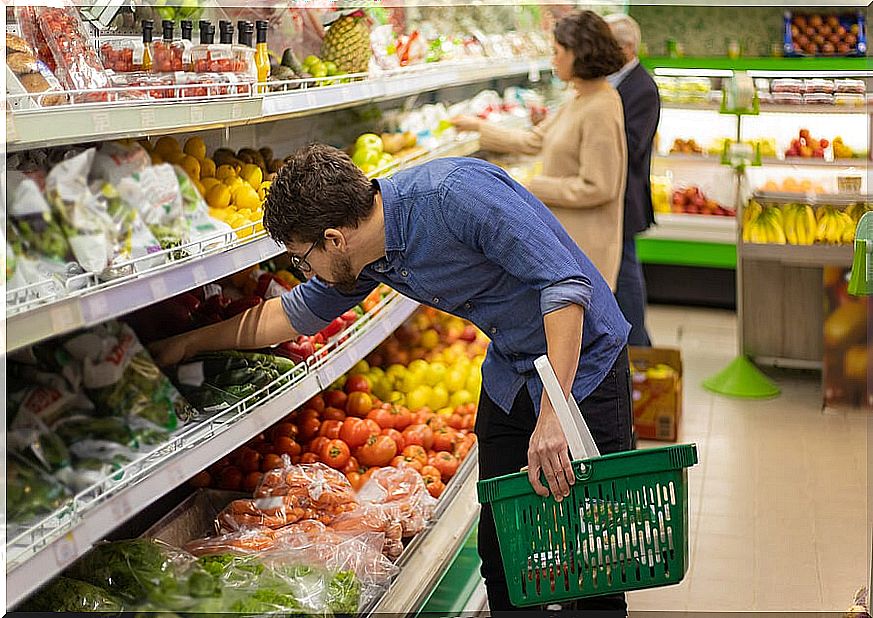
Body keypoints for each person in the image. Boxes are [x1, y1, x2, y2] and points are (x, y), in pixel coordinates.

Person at [151, 143, 634, 613]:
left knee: (597, 554)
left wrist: (554, 415)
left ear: (334, 239)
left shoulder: (455, 196)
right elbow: (294, 314)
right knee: (505, 551)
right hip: (512, 368)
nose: (305, 270)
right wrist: (187, 343)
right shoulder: (367, 253)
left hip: (582, 364)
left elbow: (565, 286)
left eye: (303, 258)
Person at [452, 10, 628, 291]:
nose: (552, 60)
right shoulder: (580, 98)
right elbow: (535, 141)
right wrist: (478, 128)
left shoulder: (601, 107)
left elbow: (599, 187)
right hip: (567, 242)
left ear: (578, 53)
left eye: (557, 52)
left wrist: (534, 186)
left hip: (585, 251)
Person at [604, 13, 660, 347]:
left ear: (625, 48)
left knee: (625, 273)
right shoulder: (617, 81)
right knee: (621, 269)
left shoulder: (642, 87)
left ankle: (639, 346)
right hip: (616, 195)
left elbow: (634, 145)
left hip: (626, 197)